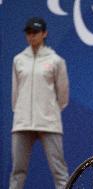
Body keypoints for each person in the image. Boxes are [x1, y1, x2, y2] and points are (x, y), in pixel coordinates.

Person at [9, 17, 69, 189]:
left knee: (59, 171)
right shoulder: (18, 60)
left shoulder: (56, 60)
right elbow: (15, 93)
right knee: (17, 171)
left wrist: (50, 111)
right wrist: (21, 112)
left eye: (35, 32)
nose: (31, 36)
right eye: (29, 32)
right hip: (22, 123)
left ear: (44, 33)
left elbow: (63, 95)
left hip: (49, 123)